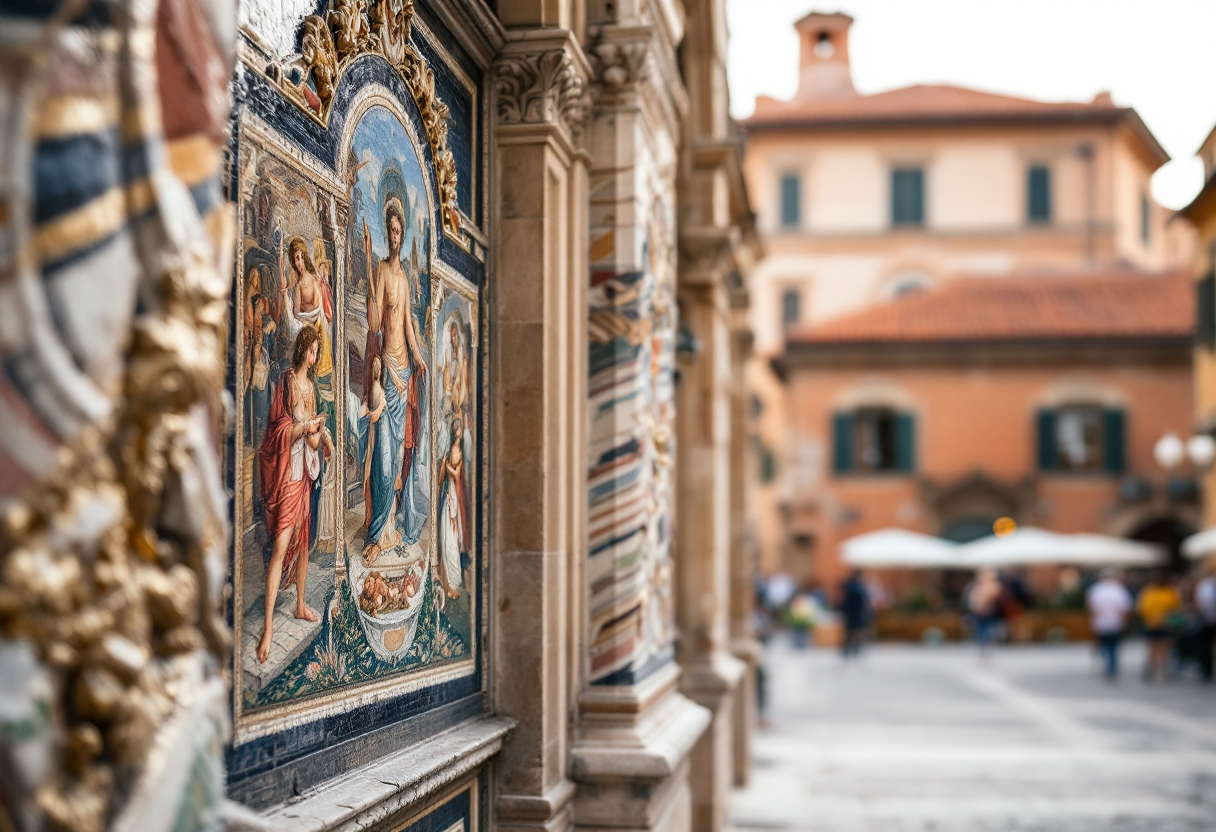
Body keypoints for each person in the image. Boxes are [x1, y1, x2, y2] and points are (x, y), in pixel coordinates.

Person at [256, 326, 334, 664]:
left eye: (317, 352)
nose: (315, 357)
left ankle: (301, 604)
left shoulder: (312, 389)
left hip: (305, 474)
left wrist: (320, 431)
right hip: (287, 472)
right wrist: (303, 428)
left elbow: (313, 442)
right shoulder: (287, 381)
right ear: (303, 349)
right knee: (281, 546)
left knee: (303, 542)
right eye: (313, 350)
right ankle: (269, 629)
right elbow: (276, 430)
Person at [362, 197, 428, 563]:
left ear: (404, 235)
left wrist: (419, 358)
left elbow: (406, 327)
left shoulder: (403, 277)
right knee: (383, 457)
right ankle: (375, 535)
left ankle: (388, 530)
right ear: (387, 234)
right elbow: (375, 324)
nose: (395, 235)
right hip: (387, 373)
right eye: (390, 230)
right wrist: (372, 281)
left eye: (399, 230)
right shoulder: (384, 273)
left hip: (404, 373)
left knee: (399, 457)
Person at [437, 418, 469, 606]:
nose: (458, 430)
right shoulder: (453, 448)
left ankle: (454, 584)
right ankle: (449, 582)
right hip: (449, 494)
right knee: (446, 538)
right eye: (456, 428)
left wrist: (445, 465)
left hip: (454, 496)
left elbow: (456, 475)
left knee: (451, 541)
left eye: (459, 428)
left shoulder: (459, 451)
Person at [1086, 568, 1133, 680]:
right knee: (1113, 646)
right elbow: (1125, 608)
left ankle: (1107, 665)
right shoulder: (1119, 589)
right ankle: (1111, 666)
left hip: (1101, 622)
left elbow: (1092, 608)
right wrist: (1124, 621)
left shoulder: (1095, 590)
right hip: (1115, 622)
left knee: (1104, 645)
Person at [1137, 571, 1183, 682]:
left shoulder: (1149, 592)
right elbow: (1177, 607)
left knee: (1155, 648)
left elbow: (1142, 608)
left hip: (1154, 624)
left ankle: (1155, 670)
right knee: (1162, 648)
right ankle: (1161, 672)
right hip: (1163, 624)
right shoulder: (1169, 592)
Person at [966, 568, 1003, 659]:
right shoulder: (976, 586)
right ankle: (984, 644)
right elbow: (971, 599)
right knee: (982, 628)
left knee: (986, 628)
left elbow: (996, 597)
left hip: (989, 611)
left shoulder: (992, 586)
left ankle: (985, 644)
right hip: (980, 612)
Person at [839, 570, 872, 660]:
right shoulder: (857, 587)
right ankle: (853, 650)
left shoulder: (850, 585)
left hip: (851, 613)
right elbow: (863, 600)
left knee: (850, 633)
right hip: (855, 613)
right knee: (855, 632)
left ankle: (849, 650)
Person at [1194, 565, 1216, 682]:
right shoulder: (1204, 585)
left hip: (1210, 619)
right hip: (1207, 621)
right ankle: (1207, 668)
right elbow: (1200, 602)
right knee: (1206, 646)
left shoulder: (1205, 585)